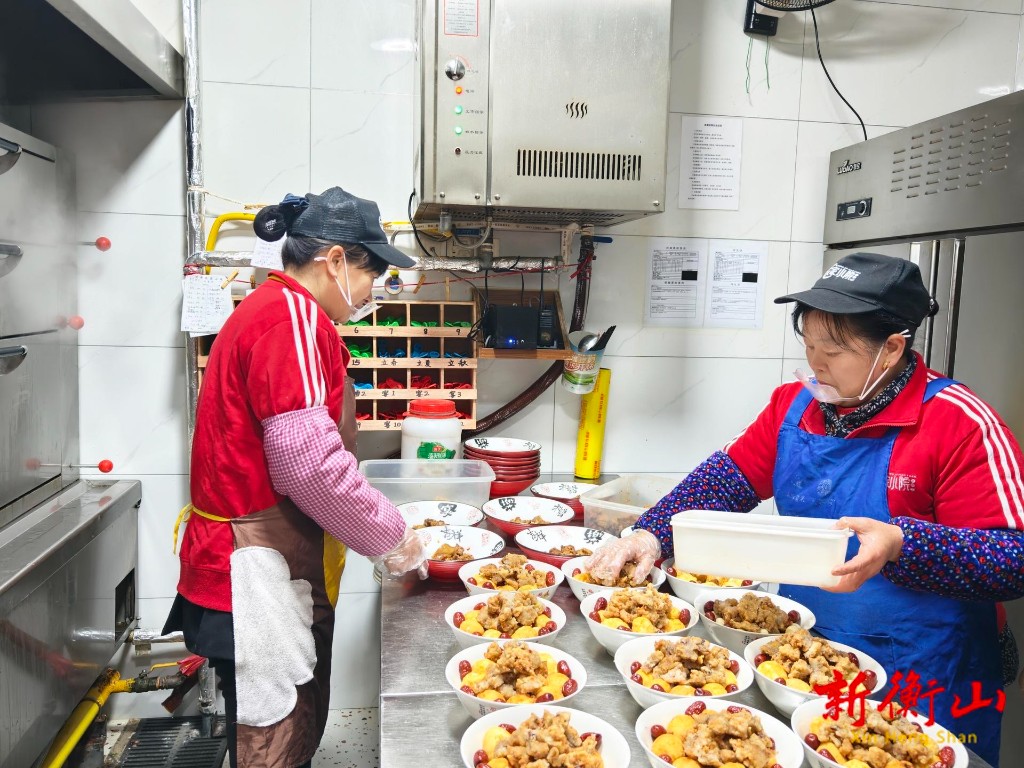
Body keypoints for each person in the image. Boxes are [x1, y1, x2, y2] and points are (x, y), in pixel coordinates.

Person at [589, 252, 1024, 765]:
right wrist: (651, 534)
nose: (815, 363)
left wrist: (902, 543)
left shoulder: (960, 422)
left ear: (890, 349)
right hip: (803, 662)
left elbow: (1012, 557)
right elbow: (725, 479)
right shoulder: (794, 406)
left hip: (923, 675)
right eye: (809, 345)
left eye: (833, 351)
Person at [164, 188, 427, 768]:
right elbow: (308, 465)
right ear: (334, 260)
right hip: (254, 573)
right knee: (272, 740)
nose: (373, 290)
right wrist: (393, 538)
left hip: (247, 564)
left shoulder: (271, 308)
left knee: (269, 731)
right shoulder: (291, 318)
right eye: (372, 272)